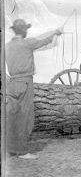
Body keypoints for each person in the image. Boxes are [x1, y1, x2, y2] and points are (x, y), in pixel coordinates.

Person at [5, 19, 63, 159]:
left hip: (11, 84)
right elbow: (43, 41)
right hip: (25, 83)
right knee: (25, 118)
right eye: (26, 29)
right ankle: (23, 152)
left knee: (12, 117)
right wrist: (55, 32)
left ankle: (12, 149)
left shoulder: (7, 46)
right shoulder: (27, 43)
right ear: (24, 30)